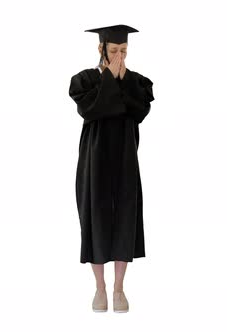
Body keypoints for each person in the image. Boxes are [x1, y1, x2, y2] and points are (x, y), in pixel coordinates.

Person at [68, 24, 155, 313]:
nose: (119, 56)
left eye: (124, 51)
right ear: (101, 48)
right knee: (96, 216)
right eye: (114, 50)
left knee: (125, 217)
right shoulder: (86, 80)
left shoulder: (137, 82)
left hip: (126, 159)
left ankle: (119, 289)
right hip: (94, 159)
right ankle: (100, 288)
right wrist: (109, 81)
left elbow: (139, 112)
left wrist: (122, 83)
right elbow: (90, 110)